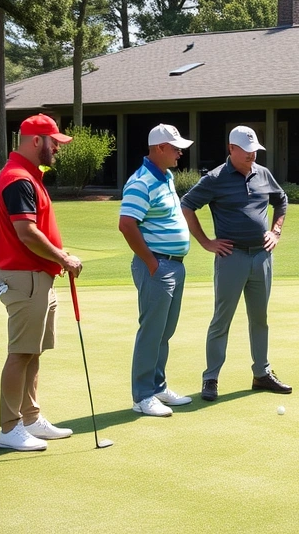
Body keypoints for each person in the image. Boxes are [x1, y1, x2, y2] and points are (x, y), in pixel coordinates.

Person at [181, 125, 290, 401]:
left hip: (262, 256)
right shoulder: (215, 178)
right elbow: (187, 205)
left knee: (260, 318)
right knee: (222, 319)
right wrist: (206, 242)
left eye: (255, 150)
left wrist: (276, 231)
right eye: (247, 151)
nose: (253, 155)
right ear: (232, 149)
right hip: (231, 258)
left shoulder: (263, 174)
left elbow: (281, 200)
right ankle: (211, 378)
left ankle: (261, 373)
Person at [0, 114, 83, 451]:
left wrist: (57, 257)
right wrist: (63, 258)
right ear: (36, 142)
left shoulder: (29, 175)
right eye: (54, 142)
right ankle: (9, 427)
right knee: (20, 353)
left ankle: (30, 418)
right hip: (26, 277)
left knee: (32, 353)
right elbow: (26, 232)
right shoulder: (19, 179)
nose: (57, 148)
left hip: (38, 276)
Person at [118, 124, 195, 417]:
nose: (180, 153)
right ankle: (143, 395)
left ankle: (158, 386)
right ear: (160, 148)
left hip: (174, 264)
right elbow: (126, 224)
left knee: (165, 330)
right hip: (157, 265)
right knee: (152, 331)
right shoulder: (140, 182)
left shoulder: (165, 176)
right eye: (175, 148)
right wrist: (151, 262)